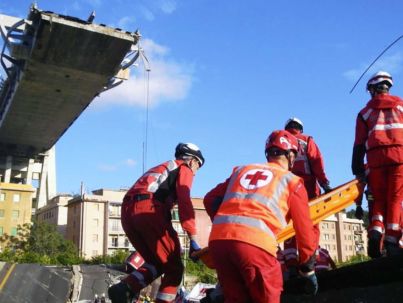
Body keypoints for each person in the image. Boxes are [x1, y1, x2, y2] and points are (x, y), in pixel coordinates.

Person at [203, 130, 318, 303]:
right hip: (255, 246)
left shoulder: (241, 170)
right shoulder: (292, 181)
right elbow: (304, 229)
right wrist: (307, 267)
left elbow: (209, 199)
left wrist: (226, 225)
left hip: (219, 243)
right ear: (291, 155)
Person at [108, 143, 205, 303]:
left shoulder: (162, 168)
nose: (196, 172)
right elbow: (184, 201)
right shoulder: (185, 167)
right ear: (192, 161)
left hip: (127, 212)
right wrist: (193, 238)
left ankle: (124, 288)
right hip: (149, 210)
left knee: (158, 262)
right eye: (198, 167)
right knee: (175, 268)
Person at [352, 71, 403, 258]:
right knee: (395, 199)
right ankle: (391, 240)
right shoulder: (401, 107)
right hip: (399, 158)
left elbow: (359, 143)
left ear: (373, 89)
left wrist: (357, 169)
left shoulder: (364, 113)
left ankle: (375, 230)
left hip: (375, 161)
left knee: (379, 199)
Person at [283, 117, 331, 274]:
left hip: (286, 187)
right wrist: (325, 183)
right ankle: (310, 258)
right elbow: (317, 162)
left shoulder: (281, 141)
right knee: (312, 222)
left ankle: (290, 261)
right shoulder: (306, 140)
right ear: (300, 128)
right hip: (308, 187)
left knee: (289, 224)